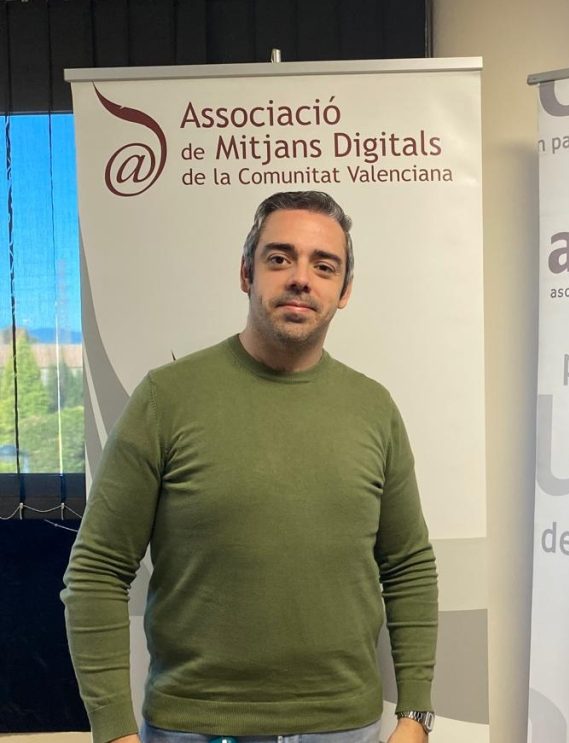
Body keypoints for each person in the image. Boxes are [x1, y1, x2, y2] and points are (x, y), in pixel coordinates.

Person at [63, 191, 438, 743]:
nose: (301, 279)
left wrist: (416, 715)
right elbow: (97, 569)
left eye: (324, 266)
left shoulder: (374, 409)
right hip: (195, 726)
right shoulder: (167, 399)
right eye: (279, 258)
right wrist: (113, 729)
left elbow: (408, 566)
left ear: (344, 291)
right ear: (246, 272)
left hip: (345, 727)